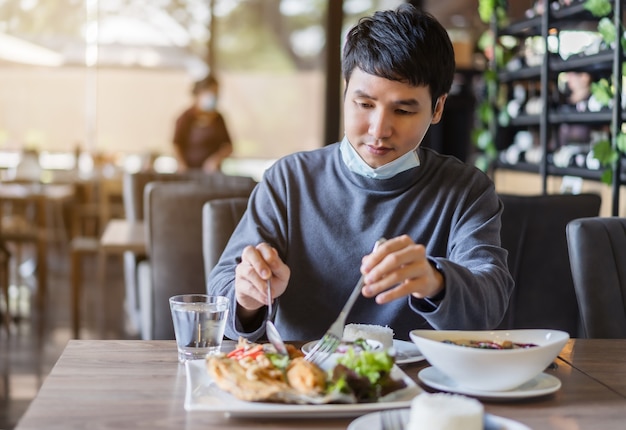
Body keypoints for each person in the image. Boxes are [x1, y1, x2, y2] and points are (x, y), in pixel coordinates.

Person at [207, 4, 514, 343]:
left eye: (403, 109)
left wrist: (436, 281)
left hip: (420, 384)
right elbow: (223, 288)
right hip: (300, 380)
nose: (379, 129)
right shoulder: (289, 180)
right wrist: (247, 296)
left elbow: (490, 302)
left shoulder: (466, 190)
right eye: (364, 104)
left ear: (437, 108)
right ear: (345, 92)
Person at [173, 74, 233, 172]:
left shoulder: (218, 118)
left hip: (212, 174)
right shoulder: (185, 117)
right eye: (212, 93)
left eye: (216, 94)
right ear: (200, 93)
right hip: (188, 172)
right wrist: (182, 164)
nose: (215, 97)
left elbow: (228, 146)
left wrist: (216, 160)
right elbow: (176, 144)